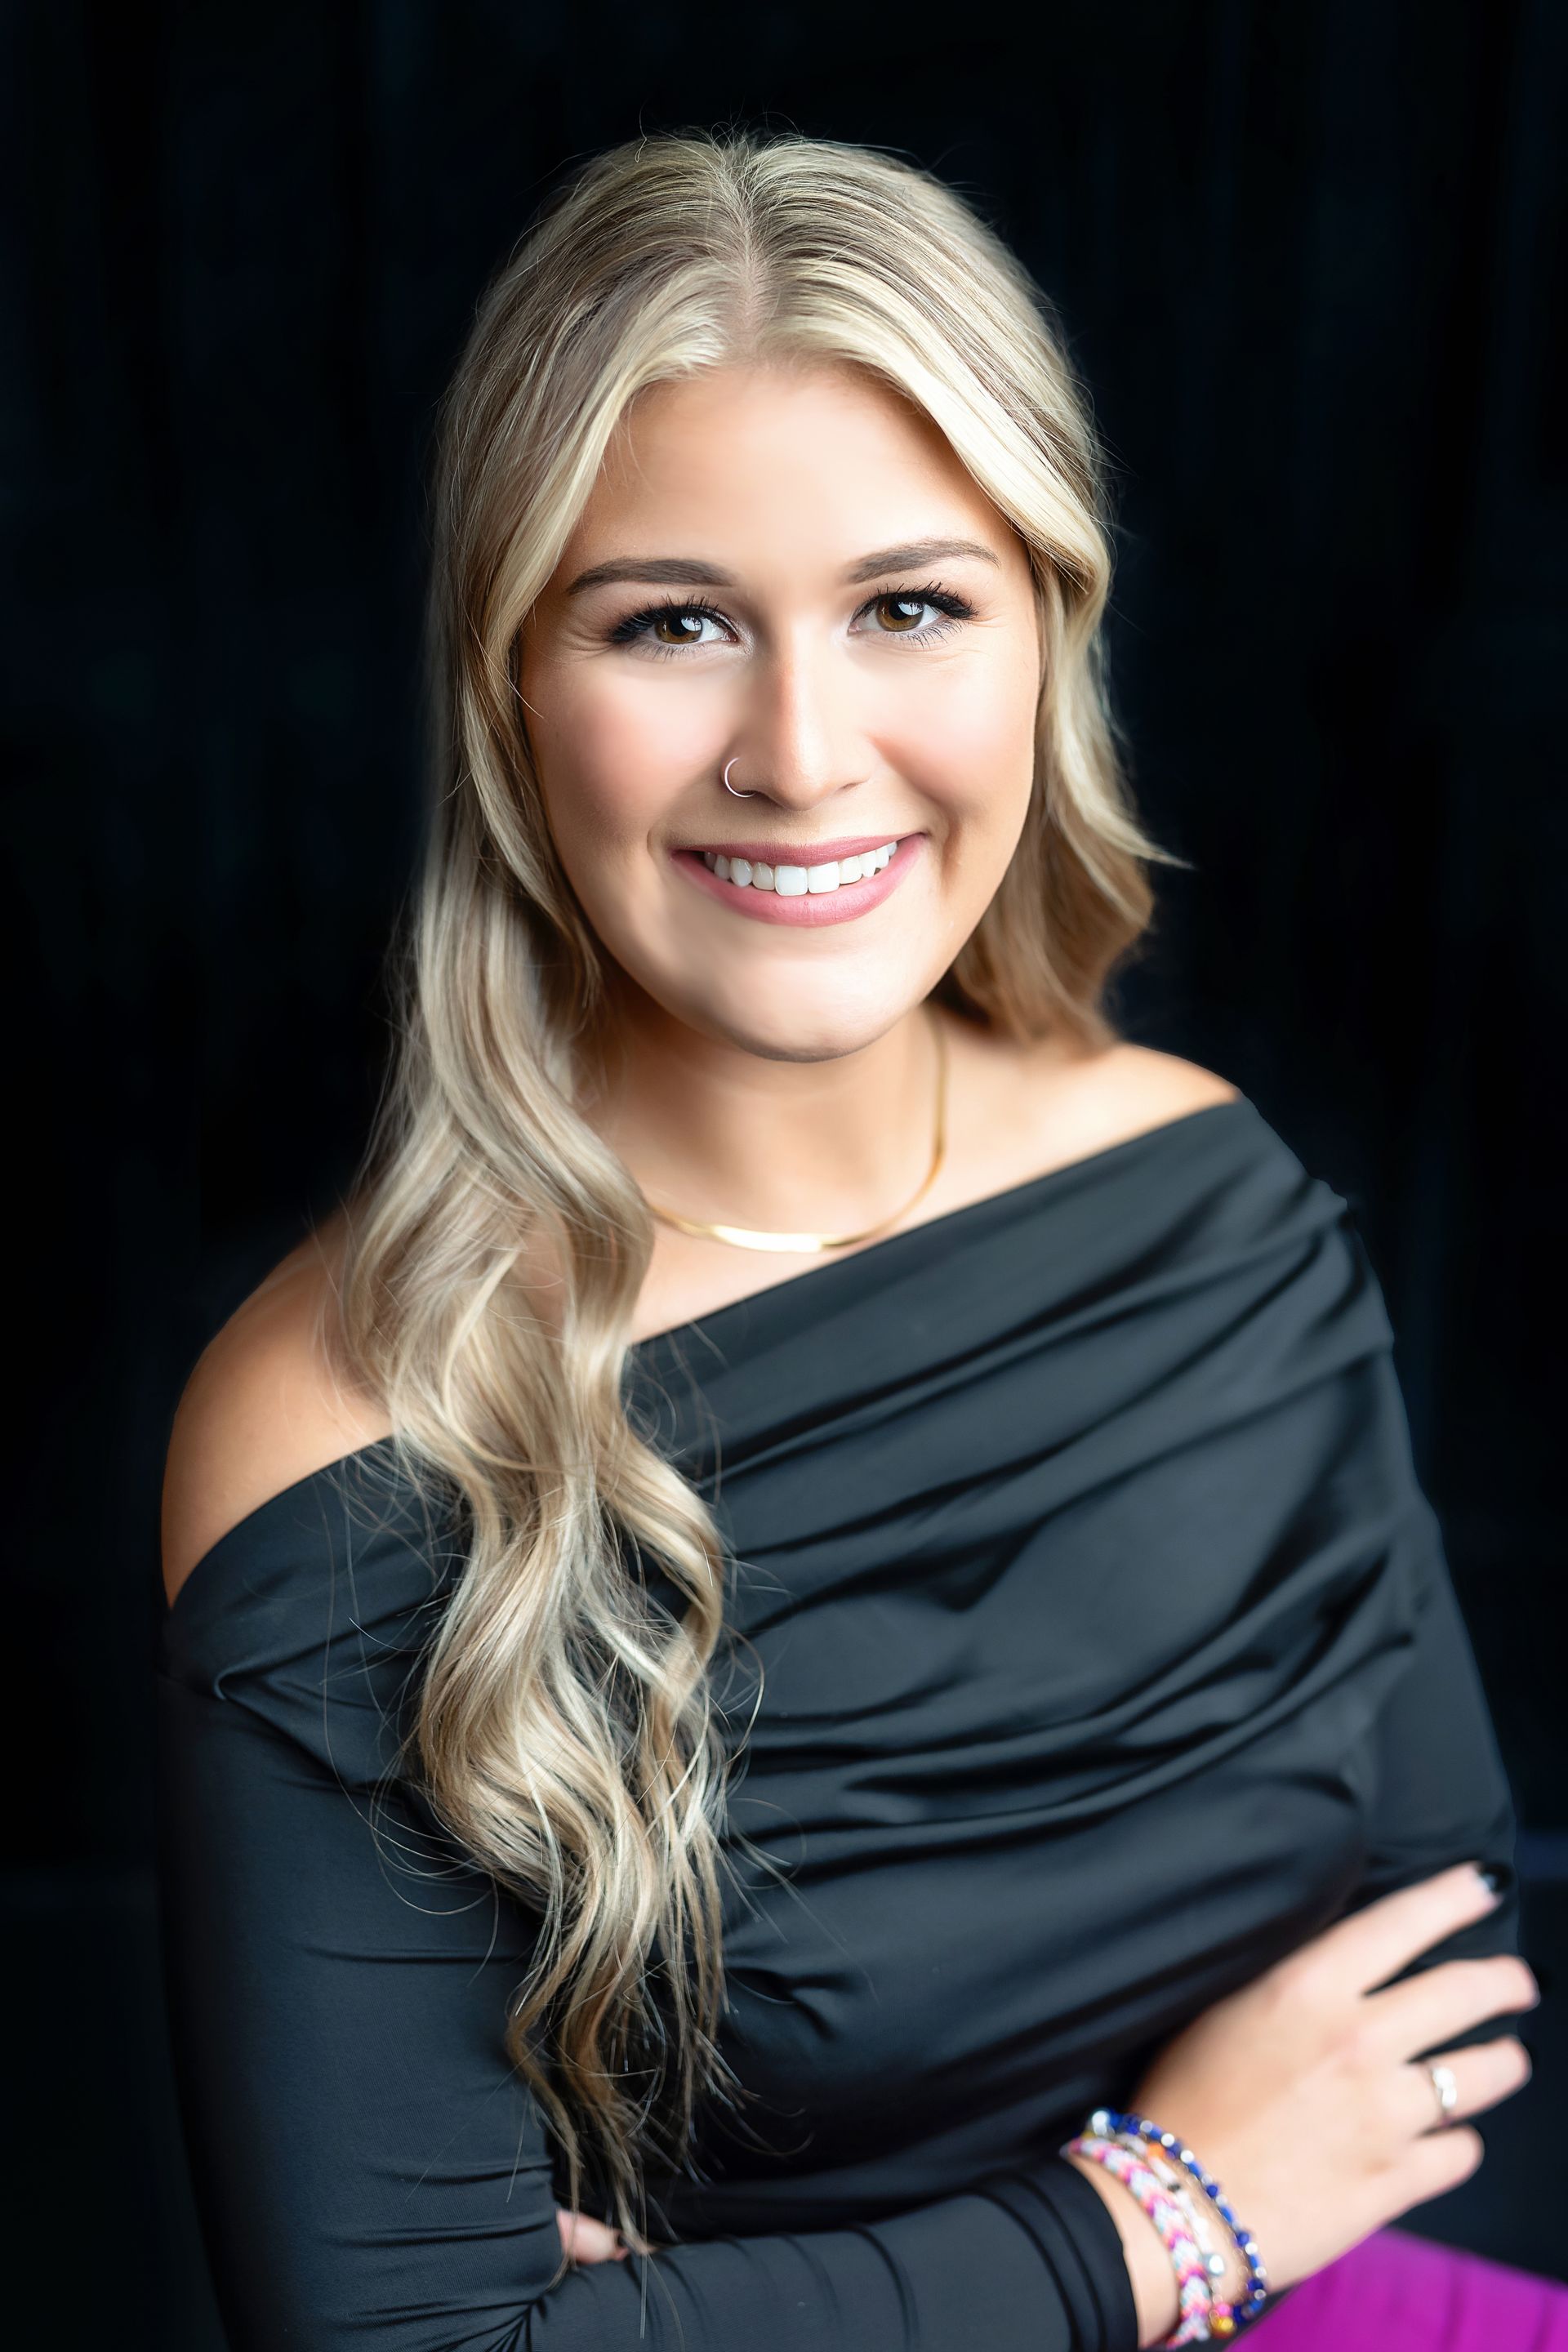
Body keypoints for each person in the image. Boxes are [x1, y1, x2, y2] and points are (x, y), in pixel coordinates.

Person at [155, 130, 1561, 2351]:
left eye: (910, 606)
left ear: (1044, 640)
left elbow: (1432, 1980)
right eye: (673, 623)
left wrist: (749, 2306)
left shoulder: (1202, 1194)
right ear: (513, 686)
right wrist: (1157, 2222)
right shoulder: (341, 1423)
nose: (804, 755)